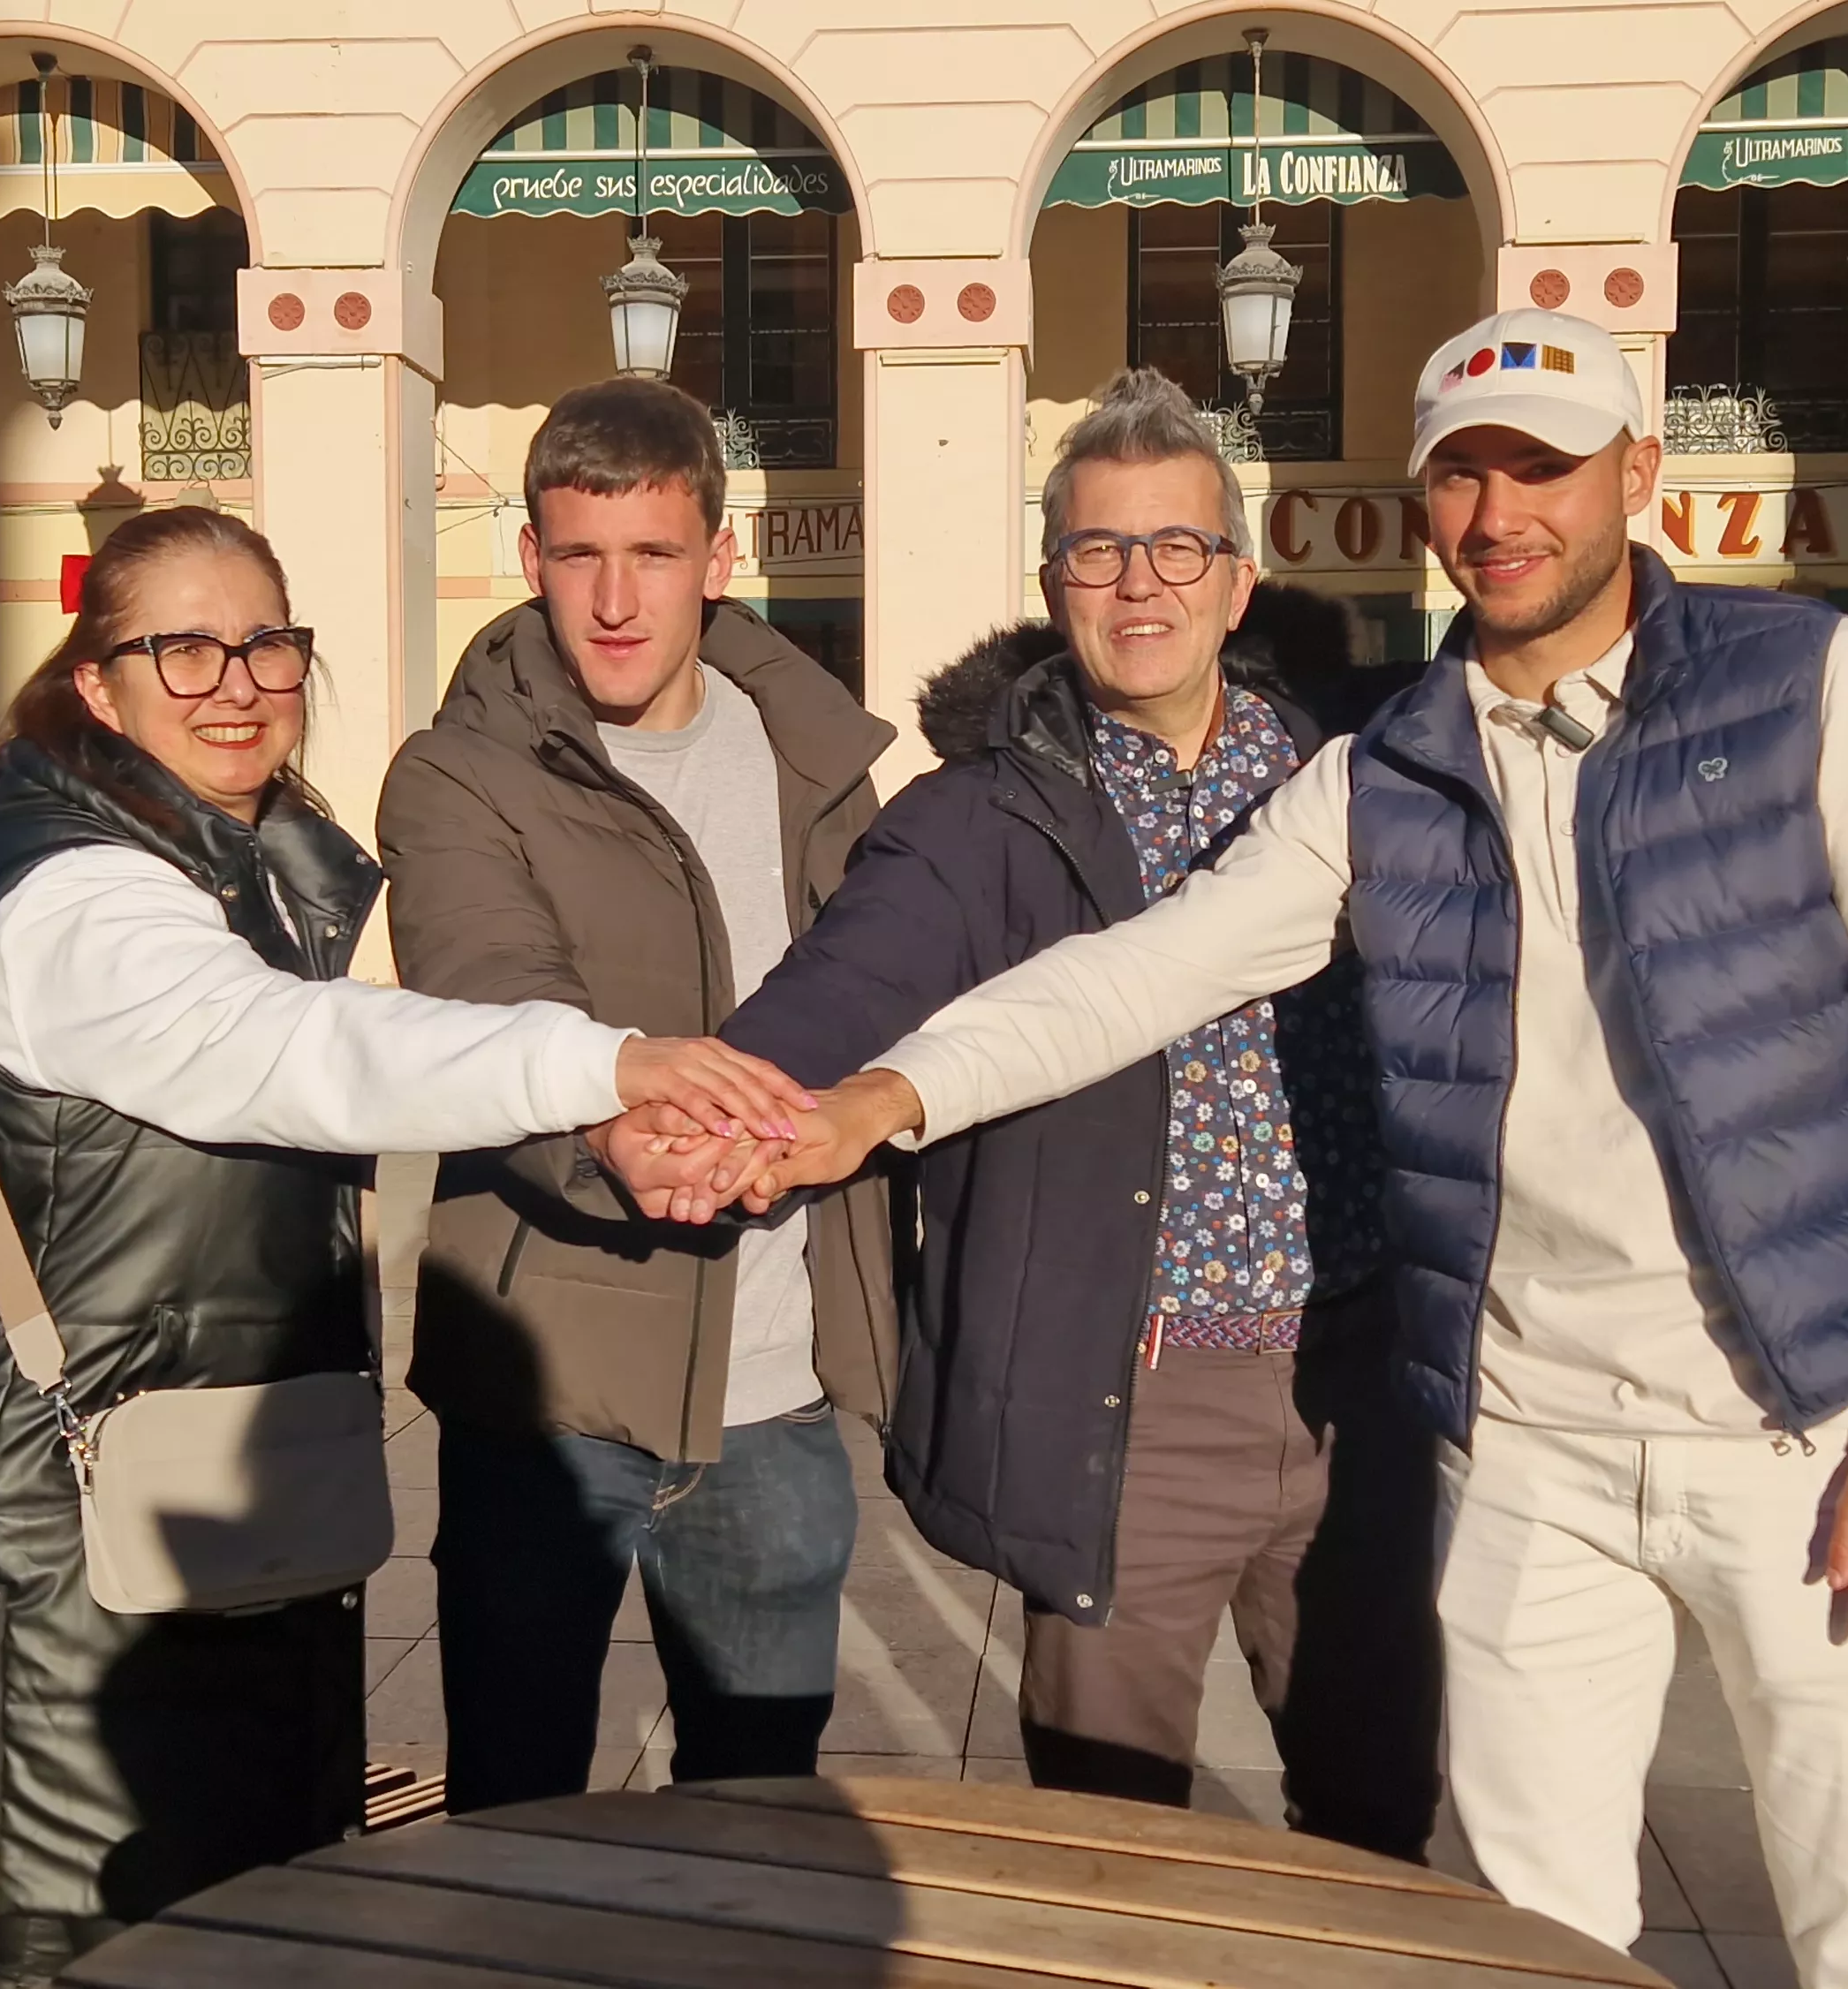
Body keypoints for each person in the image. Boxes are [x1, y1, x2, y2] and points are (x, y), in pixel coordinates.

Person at [638, 309, 1848, 1989]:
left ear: (1637, 475)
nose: (1503, 508)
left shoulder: (1815, 685)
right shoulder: (1387, 771)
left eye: (1547, 465)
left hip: (1795, 1433)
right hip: (1523, 1447)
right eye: (1464, 472)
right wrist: (874, 1102)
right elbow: (1136, 974)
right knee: (1529, 1932)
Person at [0, 504, 813, 1989]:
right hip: (59, 1525)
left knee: (224, 1902)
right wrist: (604, 1068)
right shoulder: (80, 895)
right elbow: (285, 1050)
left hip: (205, 1472)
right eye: (181, 648)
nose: (236, 679)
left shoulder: (249, 862)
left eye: (266, 642)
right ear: (98, 685)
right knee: (93, 1921)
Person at [694, 368, 1438, 1856]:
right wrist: (732, 1093)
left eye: (1177, 548)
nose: (1140, 584)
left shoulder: (1356, 784)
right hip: (1137, 1403)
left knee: (1379, 1819)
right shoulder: (985, 811)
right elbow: (854, 973)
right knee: (1110, 1839)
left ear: (1235, 583)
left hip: (1356, 1384)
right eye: (1101, 551)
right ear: (1056, 584)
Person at [376, 375, 900, 1815]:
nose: (614, 599)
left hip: (773, 1401)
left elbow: (891, 1001)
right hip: (547, 1399)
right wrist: (611, 1130)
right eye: (579, 554)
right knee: (521, 1814)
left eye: (654, 554)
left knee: (763, 1824)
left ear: (718, 559)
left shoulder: (822, 766)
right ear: (531, 557)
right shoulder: (458, 774)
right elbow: (490, 991)